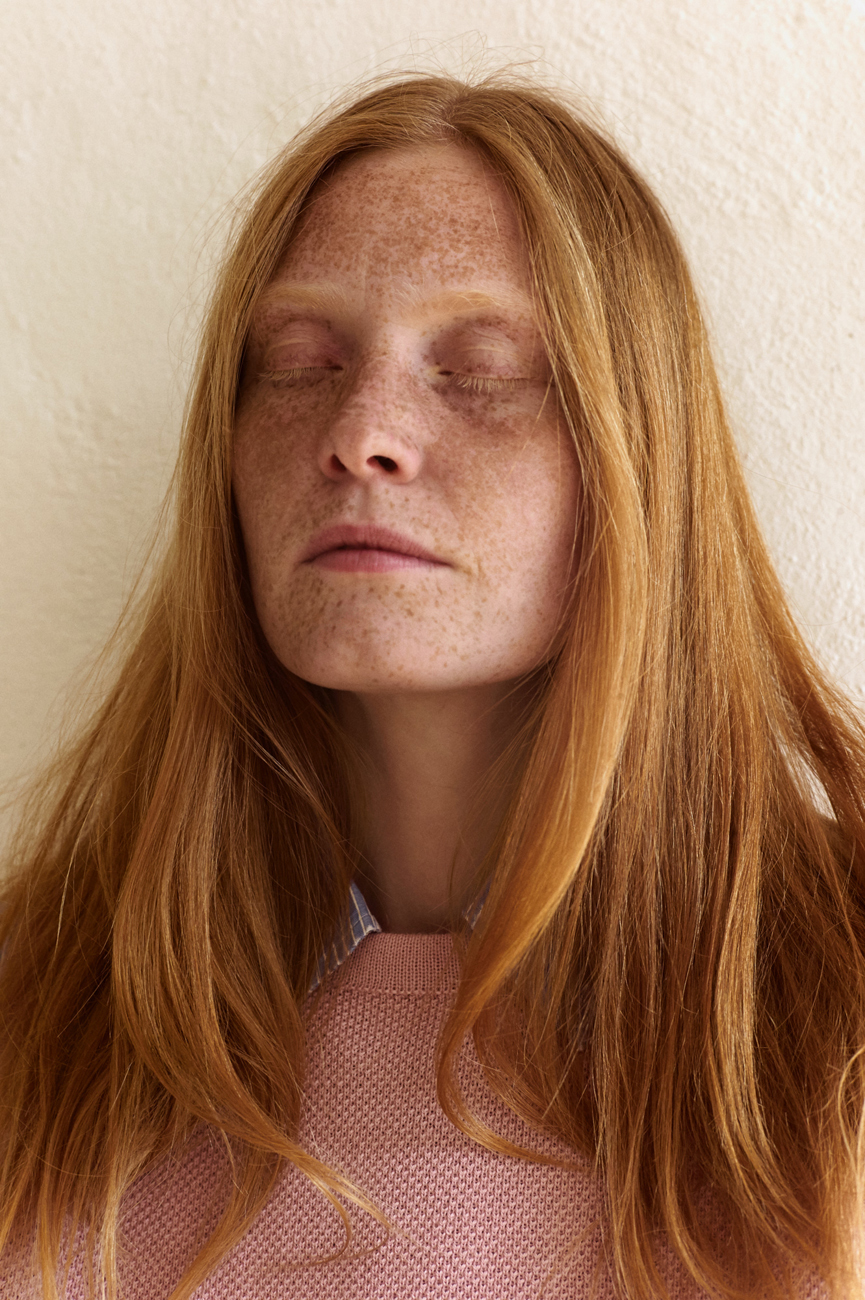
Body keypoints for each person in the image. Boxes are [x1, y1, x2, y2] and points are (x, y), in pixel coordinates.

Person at [1, 71, 864, 1300]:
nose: (361, 432)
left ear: (635, 455)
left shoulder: (835, 1002)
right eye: (297, 361)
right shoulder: (44, 1000)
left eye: (481, 367)